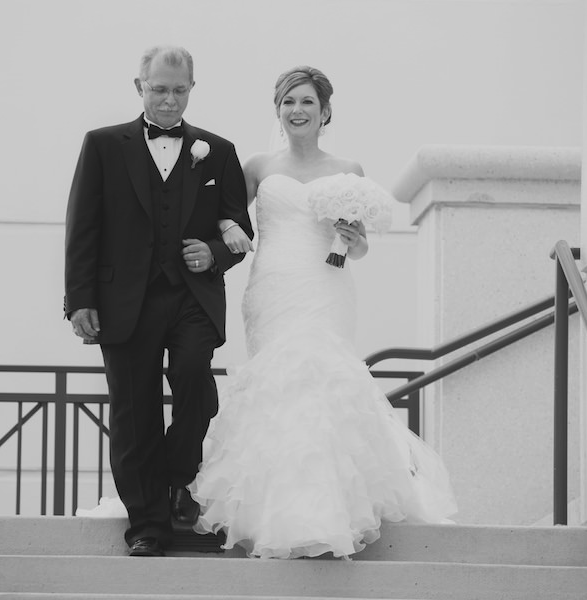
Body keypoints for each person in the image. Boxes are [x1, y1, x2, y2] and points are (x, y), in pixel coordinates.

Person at [189, 66, 457, 559]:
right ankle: (275, 508)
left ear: (325, 111)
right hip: (272, 287)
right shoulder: (257, 167)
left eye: (307, 102)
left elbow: (356, 249)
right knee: (278, 386)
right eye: (289, 101)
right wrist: (227, 228)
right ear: (277, 109)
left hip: (326, 286)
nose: (297, 110)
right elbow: (223, 212)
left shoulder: (348, 170)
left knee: (322, 379)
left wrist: (356, 243)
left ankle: (325, 511)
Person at [64, 45, 254, 558]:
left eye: (179, 89)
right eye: (159, 89)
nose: (169, 100)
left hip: (192, 297)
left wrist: (212, 252)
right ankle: (148, 524)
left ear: (192, 88)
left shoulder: (218, 151)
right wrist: (79, 298)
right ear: (139, 87)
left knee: (194, 376)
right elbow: (83, 225)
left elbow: (240, 226)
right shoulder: (103, 145)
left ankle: (177, 475)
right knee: (133, 411)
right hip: (124, 298)